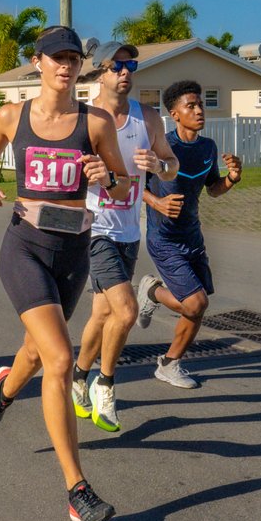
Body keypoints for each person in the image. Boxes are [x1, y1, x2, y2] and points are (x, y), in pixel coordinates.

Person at [0, 25, 134, 521]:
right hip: (24, 247)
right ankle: (76, 490)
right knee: (60, 358)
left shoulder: (97, 123)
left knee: (36, 353)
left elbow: (124, 183)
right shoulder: (12, 116)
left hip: (74, 252)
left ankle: (3, 391)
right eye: (56, 58)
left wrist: (106, 178)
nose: (65, 66)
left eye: (72, 59)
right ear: (37, 63)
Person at [71, 41, 179, 433]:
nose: (125, 72)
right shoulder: (82, 117)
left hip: (129, 230)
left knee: (103, 313)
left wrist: (159, 164)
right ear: (99, 72)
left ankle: (78, 377)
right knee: (127, 311)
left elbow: (171, 166)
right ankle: (106, 384)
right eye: (116, 66)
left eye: (130, 64)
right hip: (94, 227)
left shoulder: (146, 118)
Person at [136, 80, 243, 389]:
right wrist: (156, 202)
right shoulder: (162, 147)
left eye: (201, 105)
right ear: (174, 114)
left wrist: (233, 178)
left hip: (193, 237)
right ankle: (153, 292)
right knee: (195, 304)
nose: (199, 111)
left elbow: (213, 190)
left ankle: (170, 363)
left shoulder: (207, 148)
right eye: (191, 106)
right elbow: (133, 185)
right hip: (164, 239)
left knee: (196, 308)